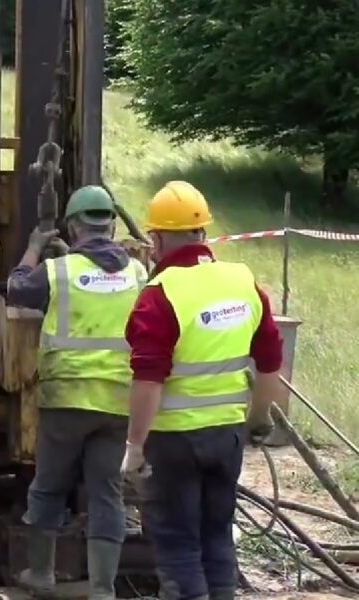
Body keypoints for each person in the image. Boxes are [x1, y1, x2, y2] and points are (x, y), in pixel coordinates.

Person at [119, 181, 285, 600]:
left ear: (155, 239)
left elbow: (148, 379)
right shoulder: (243, 282)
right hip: (226, 436)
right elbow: (269, 362)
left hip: (174, 442)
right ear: (203, 233)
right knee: (217, 538)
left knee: (178, 543)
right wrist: (258, 420)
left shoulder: (160, 295)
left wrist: (135, 447)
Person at [6, 185, 149, 600]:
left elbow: (16, 289)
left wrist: (34, 247)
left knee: (49, 487)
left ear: (72, 226)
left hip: (66, 401)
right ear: (112, 224)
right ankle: (103, 589)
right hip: (118, 403)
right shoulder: (138, 274)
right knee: (106, 493)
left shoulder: (59, 271)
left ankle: (41, 573)